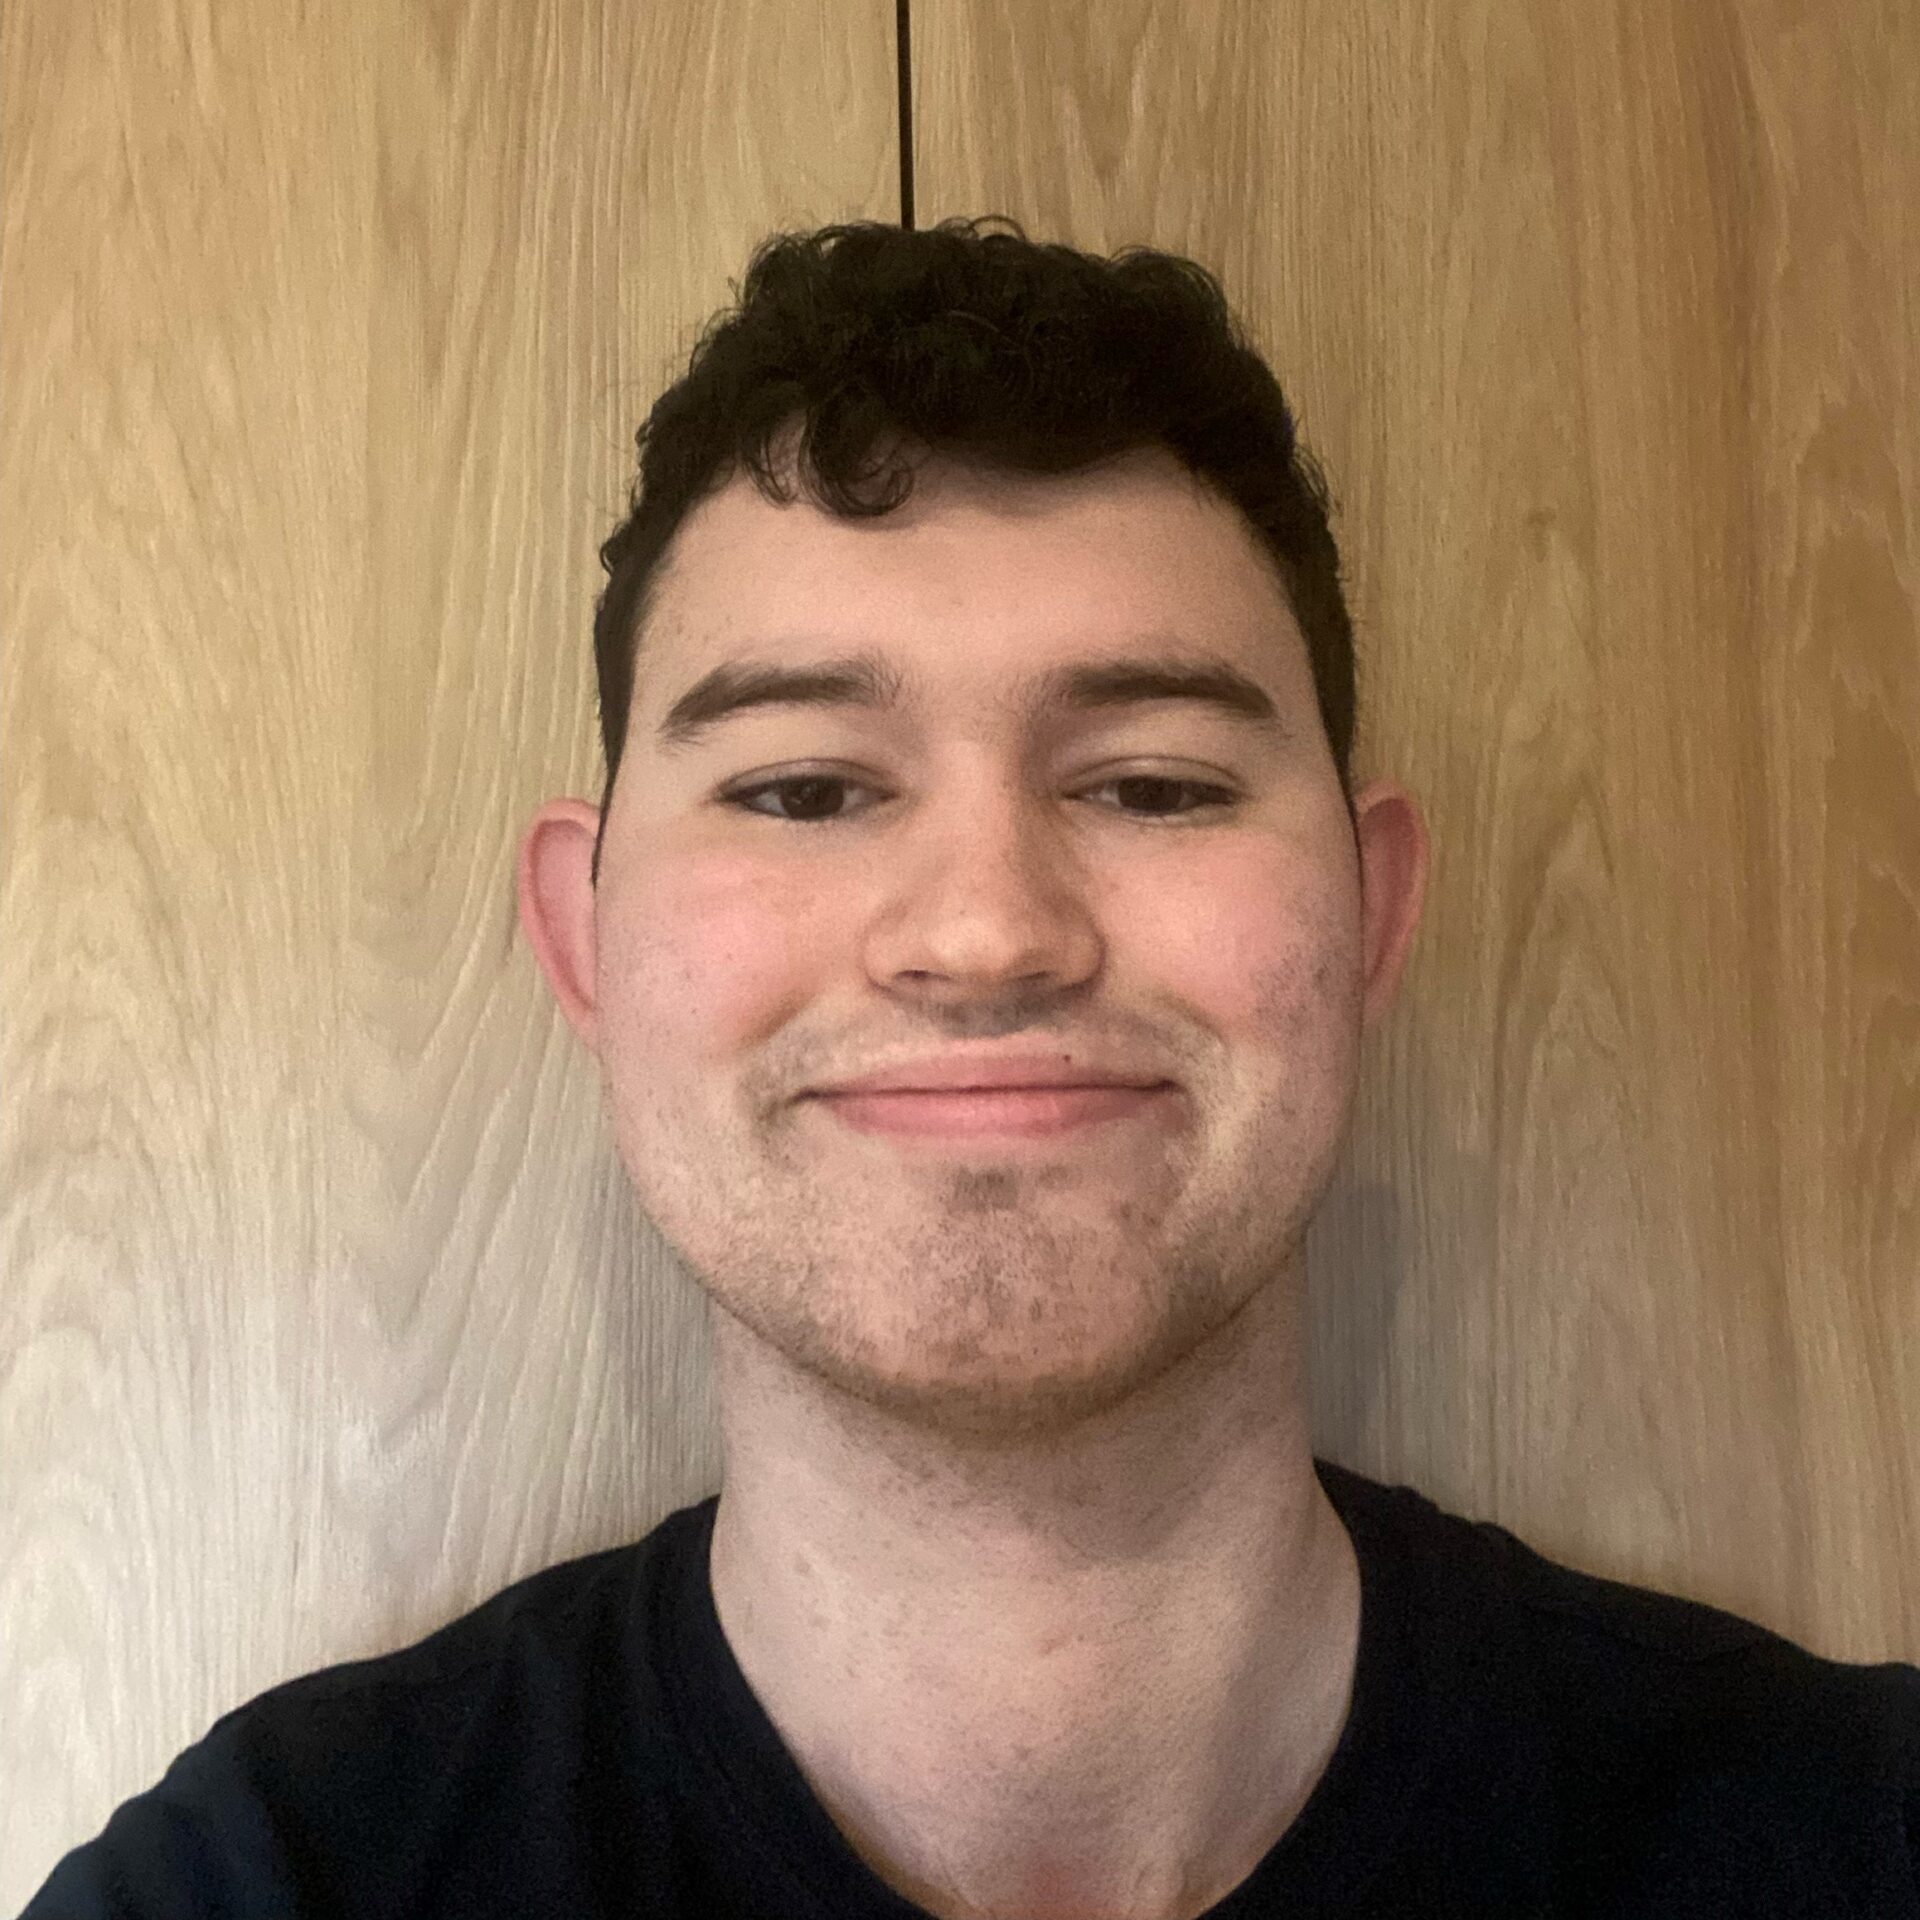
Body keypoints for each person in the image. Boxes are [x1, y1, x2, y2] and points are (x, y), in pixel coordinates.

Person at [25, 216, 1919, 1920]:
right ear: (584, 939)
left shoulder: (1856, 1838)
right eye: (804, 787)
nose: (988, 929)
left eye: (1157, 782)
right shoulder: (266, 1884)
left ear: (1375, 916)